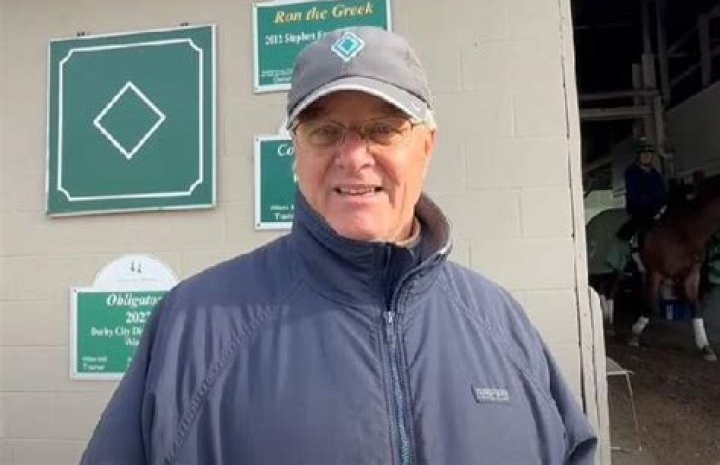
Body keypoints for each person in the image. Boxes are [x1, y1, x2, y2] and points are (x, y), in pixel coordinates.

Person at [82, 26, 596, 464]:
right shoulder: (193, 326)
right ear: (295, 151)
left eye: (383, 129)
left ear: (426, 145)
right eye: (325, 132)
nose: (353, 157)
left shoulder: (500, 321)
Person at [616, 136, 667, 242]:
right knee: (632, 233)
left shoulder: (656, 175)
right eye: (644, 154)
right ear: (638, 156)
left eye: (649, 153)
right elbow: (635, 194)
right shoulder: (632, 172)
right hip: (640, 213)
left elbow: (662, 193)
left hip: (659, 211)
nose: (647, 156)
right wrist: (652, 205)